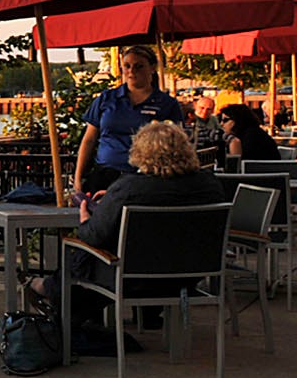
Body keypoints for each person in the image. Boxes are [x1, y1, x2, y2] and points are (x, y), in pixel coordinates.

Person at [31, 121, 225, 344]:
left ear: (141, 152)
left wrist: (86, 218)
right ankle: (56, 297)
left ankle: (50, 293)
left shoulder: (130, 188)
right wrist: (114, 198)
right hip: (188, 276)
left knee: (81, 259)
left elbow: (94, 235)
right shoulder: (209, 186)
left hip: (133, 278)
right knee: (86, 269)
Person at [72, 45, 183, 193]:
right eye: (127, 66)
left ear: (152, 68)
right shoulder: (107, 99)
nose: (132, 71)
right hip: (105, 174)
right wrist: (78, 177)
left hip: (145, 177)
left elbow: (177, 144)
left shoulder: (166, 104)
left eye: (139, 66)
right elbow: (89, 139)